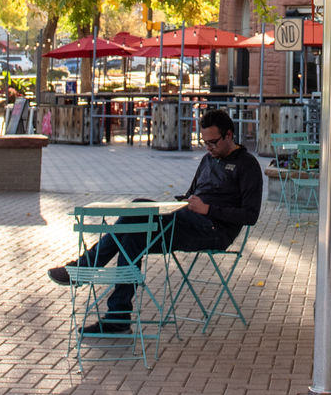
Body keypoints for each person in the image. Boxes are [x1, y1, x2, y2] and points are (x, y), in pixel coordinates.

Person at [47, 108, 262, 335]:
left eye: (213, 143)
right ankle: (117, 318)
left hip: (214, 230)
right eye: (204, 143)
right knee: (132, 237)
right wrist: (184, 202)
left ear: (229, 135)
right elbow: (191, 193)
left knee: (139, 205)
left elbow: (250, 215)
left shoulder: (247, 165)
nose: (208, 148)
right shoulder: (208, 160)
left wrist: (208, 209)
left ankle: (85, 266)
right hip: (187, 220)